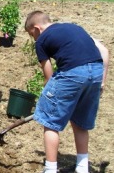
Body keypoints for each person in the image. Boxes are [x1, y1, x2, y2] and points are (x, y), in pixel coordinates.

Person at [24, 11, 109, 173]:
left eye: (31, 34)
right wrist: (102, 82)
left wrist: (47, 100)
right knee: (80, 123)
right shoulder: (73, 27)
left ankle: (50, 169)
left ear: (37, 28)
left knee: (50, 122)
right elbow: (104, 51)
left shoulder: (41, 40)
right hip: (96, 72)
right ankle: (83, 167)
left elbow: (48, 76)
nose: (33, 38)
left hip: (73, 73)